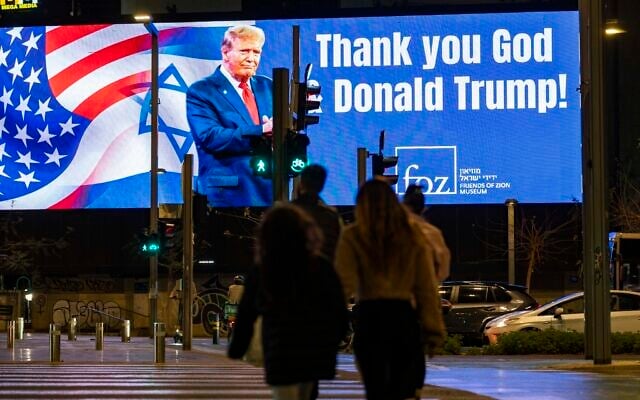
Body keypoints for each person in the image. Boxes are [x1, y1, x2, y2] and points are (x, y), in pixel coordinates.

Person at [334, 179, 445, 400]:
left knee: (376, 389)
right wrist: (434, 330)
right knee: (404, 389)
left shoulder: (352, 235)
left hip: (370, 318)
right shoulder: (412, 236)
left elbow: (341, 285)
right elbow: (425, 288)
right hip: (402, 317)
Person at [228, 204, 348, 400]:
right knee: (307, 393)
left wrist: (237, 347)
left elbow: (247, 311)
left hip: (279, 347)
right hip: (312, 346)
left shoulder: (265, 268)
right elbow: (337, 308)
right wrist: (332, 341)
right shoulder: (321, 265)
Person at [186, 24, 273, 207]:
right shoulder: (202, 91)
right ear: (225, 53)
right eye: (245, 51)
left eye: (256, 52)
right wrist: (261, 131)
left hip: (270, 193)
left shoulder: (268, 87)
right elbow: (210, 137)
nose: (251, 59)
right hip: (227, 196)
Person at [292, 164, 342, 262]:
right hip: (323, 273)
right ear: (321, 186)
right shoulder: (331, 216)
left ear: (301, 182)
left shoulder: (285, 212)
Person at [403, 184, 451, 282]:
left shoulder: (392, 231)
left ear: (404, 205)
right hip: (425, 292)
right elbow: (443, 271)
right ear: (423, 208)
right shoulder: (433, 234)